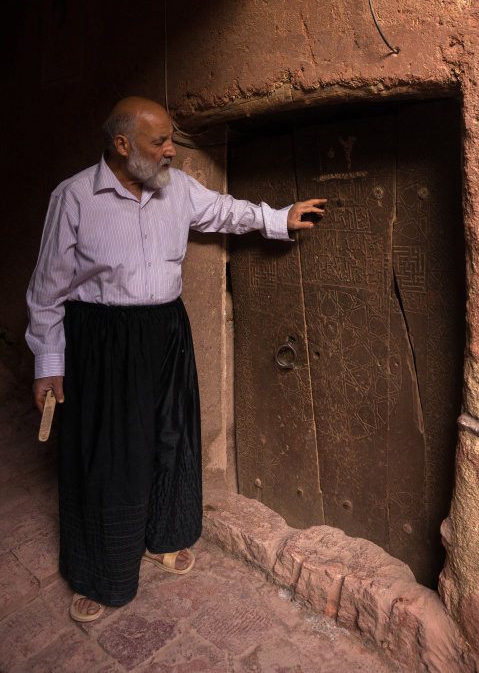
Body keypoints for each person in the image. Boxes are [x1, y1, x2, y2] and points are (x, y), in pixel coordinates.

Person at [26, 96, 326, 622]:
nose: (170, 151)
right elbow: (46, 292)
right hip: (101, 339)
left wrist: (280, 218)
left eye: (172, 140)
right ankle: (102, 570)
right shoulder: (72, 197)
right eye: (159, 141)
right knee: (109, 453)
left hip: (166, 329)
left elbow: (226, 211)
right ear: (122, 145)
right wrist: (49, 362)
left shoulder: (178, 187)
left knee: (171, 435)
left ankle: (163, 534)